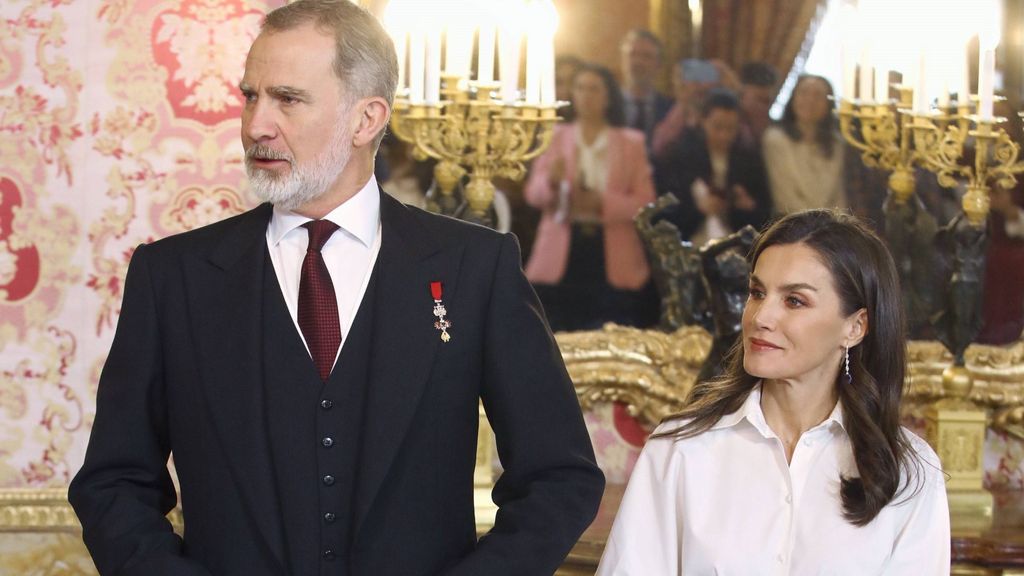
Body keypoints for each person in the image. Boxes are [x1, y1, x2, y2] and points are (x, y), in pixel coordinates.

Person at [68, 2, 604, 575]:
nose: (256, 125)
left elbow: (559, 476)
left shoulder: (476, 267)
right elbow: (113, 482)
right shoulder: (172, 276)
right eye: (251, 96)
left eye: (287, 99)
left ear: (366, 119)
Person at [597, 209, 950, 575]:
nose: (760, 317)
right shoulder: (680, 449)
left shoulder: (908, 471)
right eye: (756, 292)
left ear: (856, 327)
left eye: (794, 300)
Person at [524, 63, 656, 331]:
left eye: (594, 89)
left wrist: (602, 202)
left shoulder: (630, 143)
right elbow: (533, 194)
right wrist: (551, 182)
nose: (586, 95)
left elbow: (645, 200)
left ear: (608, 97)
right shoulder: (555, 136)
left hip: (610, 250)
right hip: (561, 247)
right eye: (581, 88)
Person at [654, 89, 772, 245]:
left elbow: (765, 215)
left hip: (737, 244)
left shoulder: (749, 160)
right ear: (703, 121)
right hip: (690, 243)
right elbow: (665, 212)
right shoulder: (681, 156)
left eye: (731, 128)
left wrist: (747, 207)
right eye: (717, 127)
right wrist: (699, 209)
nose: (724, 135)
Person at [763, 75, 847, 214]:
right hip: (792, 226)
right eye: (804, 92)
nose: (810, 100)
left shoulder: (836, 144)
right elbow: (785, 198)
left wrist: (838, 229)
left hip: (830, 229)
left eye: (818, 95)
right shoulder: (775, 140)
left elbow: (838, 197)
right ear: (793, 98)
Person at [619, 29, 673, 148]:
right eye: (632, 54)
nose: (638, 62)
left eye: (646, 56)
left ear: (659, 65)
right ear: (622, 60)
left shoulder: (670, 111)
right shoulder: (606, 105)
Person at [737, 61, 778, 149]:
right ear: (743, 95)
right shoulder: (728, 127)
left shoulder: (773, 130)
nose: (764, 108)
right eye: (759, 100)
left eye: (768, 102)